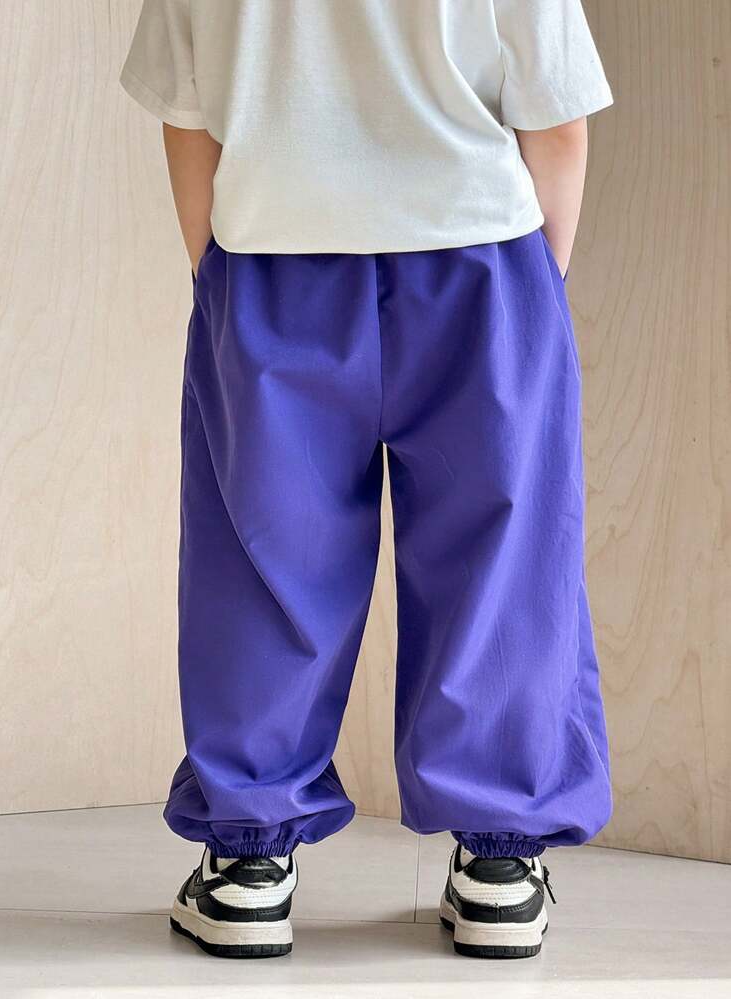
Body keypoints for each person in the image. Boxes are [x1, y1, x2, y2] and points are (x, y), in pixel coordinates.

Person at [121, 0, 614, 961]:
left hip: (273, 260)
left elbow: (187, 118)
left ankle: (249, 863)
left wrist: (217, 275)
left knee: (264, 560)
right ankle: (498, 863)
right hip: (479, 259)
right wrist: (536, 291)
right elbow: (555, 118)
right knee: (500, 559)